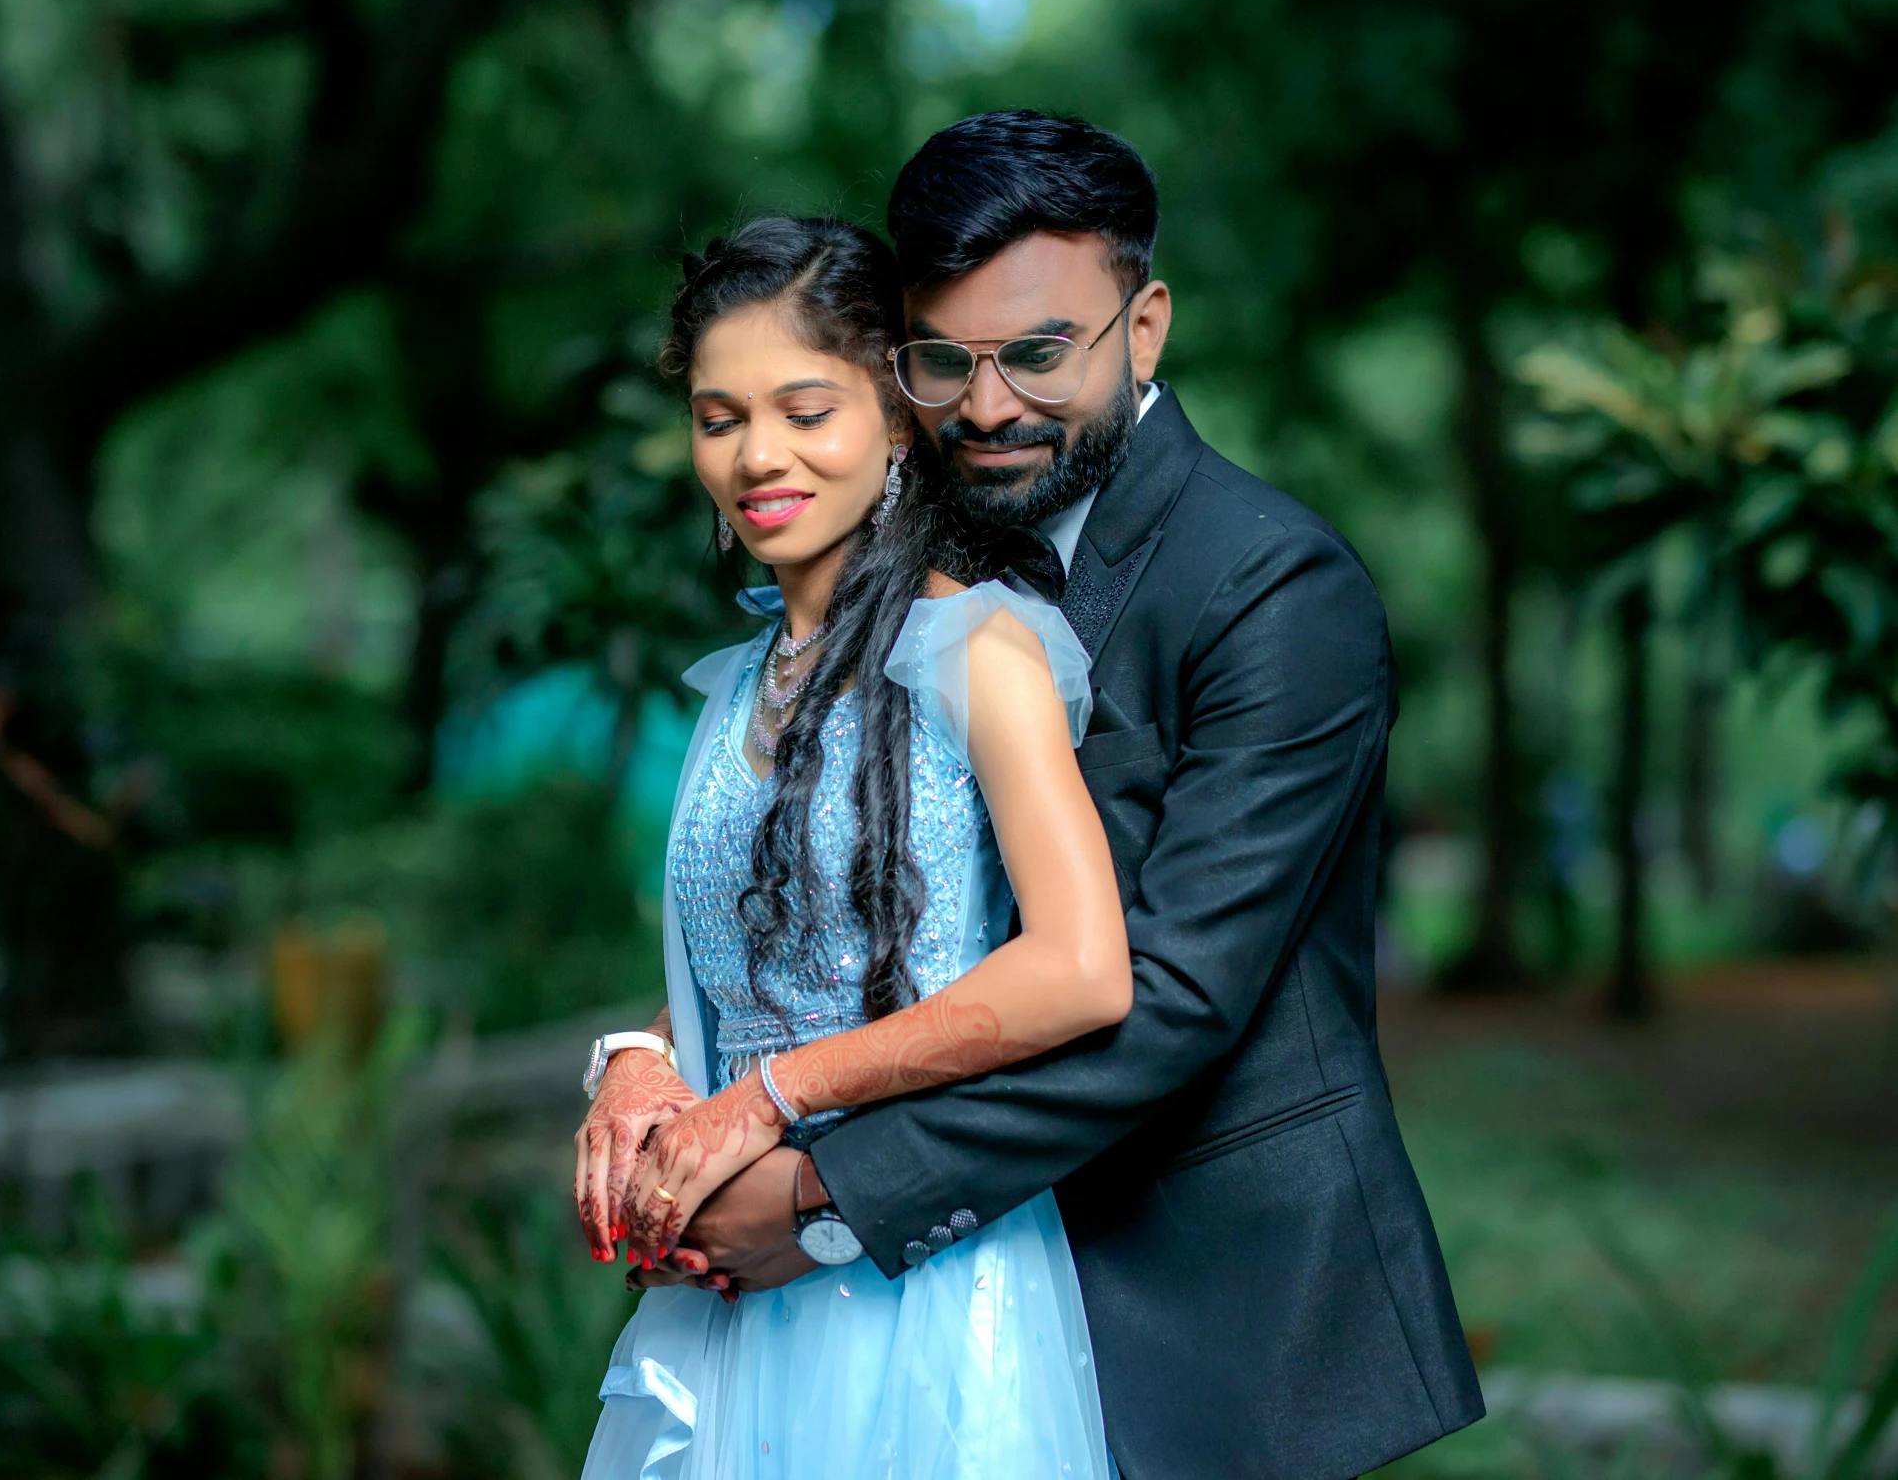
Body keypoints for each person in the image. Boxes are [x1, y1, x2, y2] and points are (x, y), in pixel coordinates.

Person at [596, 112, 1486, 1480]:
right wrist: (646, 1050)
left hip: (1190, 1294)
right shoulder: (898, 548)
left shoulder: (1272, 591)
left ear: (1143, 327)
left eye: (1037, 353)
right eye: (946, 361)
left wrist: (826, 1187)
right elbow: (835, 880)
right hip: (901, 1309)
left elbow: (1172, 993)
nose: (992, 404)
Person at [573, 214, 1137, 1479]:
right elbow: (740, 965)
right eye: (720, 418)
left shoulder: (979, 651)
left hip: (927, 1286)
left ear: (893, 416)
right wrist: (633, 1064)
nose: (757, 455)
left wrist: (766, 1101)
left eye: (803, 408)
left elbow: (1082, 967)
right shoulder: (731, 690)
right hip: (727, 1299)